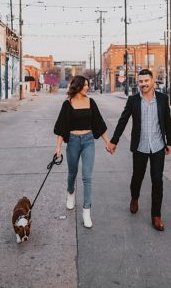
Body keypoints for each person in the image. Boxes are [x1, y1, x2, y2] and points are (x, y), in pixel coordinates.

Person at [108, 69, 171, 231]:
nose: (143, 84)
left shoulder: (163, 99)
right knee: (137, 177)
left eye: (146, 81)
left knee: (157, 180)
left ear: (152, 81)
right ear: (138, 83)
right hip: (140, 146)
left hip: (158, 145)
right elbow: (123, 121)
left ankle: (156, 215)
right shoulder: (133, 100)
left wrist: (169, 142)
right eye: (140, 81)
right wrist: (114, 141)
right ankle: (134, 198)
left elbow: (167, 121)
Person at [52, 76, 110, 228]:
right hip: (72, 141)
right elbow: (61, 127)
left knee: (87, 177)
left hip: (88, 141)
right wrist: (58, 148)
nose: (87, 88)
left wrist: (108, 142)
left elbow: (99, 123)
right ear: (77, 86)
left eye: (87, 85)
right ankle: (70, 193)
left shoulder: (91, 102)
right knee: (72, 173)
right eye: (84, 85)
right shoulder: (67, 104)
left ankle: (86, 211)